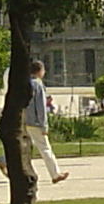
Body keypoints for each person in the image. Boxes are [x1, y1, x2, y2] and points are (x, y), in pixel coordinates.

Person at [20, 59, 68, 187]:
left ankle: (5, 162)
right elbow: (41, 107)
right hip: (35, 122)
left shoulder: (25, 83)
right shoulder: (38, 84)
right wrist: (44, 125)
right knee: (45, 148)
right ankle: (55, 174)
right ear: (40, 71)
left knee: (22, 148)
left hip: (25, 121)